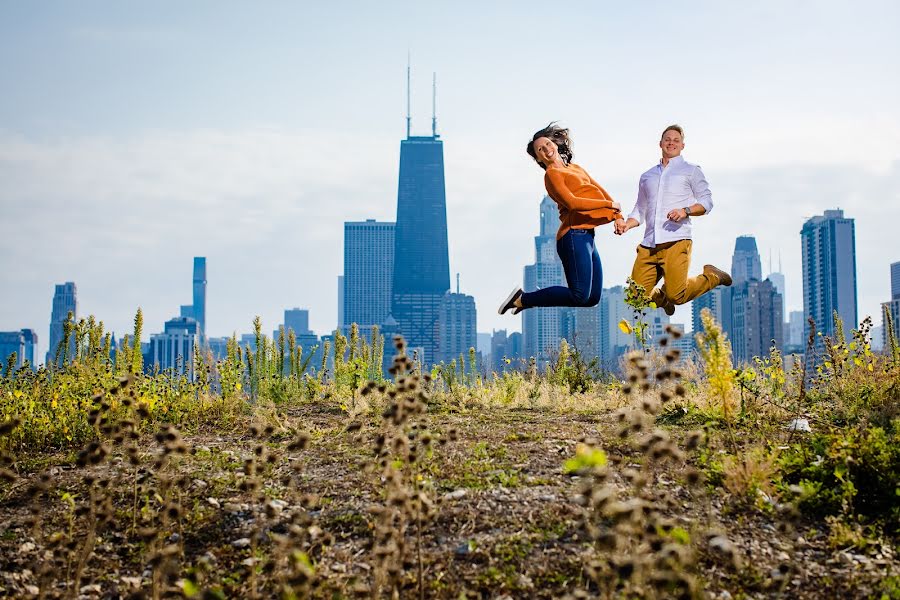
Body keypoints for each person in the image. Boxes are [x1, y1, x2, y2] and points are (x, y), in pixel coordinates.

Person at [499, 123, 622, 316]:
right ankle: (523, 298)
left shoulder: (576, 168)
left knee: (592, 299)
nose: (546, 149)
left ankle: (524, 300)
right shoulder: (552, 175)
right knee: (580, 295)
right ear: (538, 158)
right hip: (572, 236)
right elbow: (573, 203)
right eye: (540, 149)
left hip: (588, 236)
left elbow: (602, 193)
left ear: (555, 143)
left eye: (548, 144)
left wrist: (618, 216)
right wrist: (608, 206)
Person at [613, 124, 732, 315]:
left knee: (678, 295)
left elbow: (707, 202)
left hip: (676, 241)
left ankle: (712, 276)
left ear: (682, 145)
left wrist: (686, 211)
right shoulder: (647, 176)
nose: (671, 143)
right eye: (667, 139)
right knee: (635, 297)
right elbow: (640, 210)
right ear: (660, 143)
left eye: (676, 140)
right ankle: (662, 299)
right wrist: (627, 224)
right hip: (649, 244)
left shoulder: (691, 170)